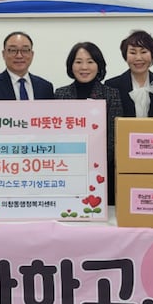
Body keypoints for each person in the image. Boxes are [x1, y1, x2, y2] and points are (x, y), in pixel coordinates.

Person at [55, 42, 123, 205]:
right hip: (67, 170)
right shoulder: (60, 94)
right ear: (71, 66)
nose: (84, 67)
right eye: (78, 62)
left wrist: (94, 163)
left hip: (101, 172)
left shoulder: (111, 94)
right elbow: (57, 135)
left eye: (90, 62)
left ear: (98, 66)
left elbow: (114, 137)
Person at [105, 30, 153, 117]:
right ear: (125, 56)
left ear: (152, 55)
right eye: (133, 52)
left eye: (143, 52)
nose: (138, 58)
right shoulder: (112, 85)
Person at [0, 31, 54, 100]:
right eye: (13, 50)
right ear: (4, 54)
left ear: (32, 54)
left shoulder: (45, 87)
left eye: (25, 50)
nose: (19, 56)